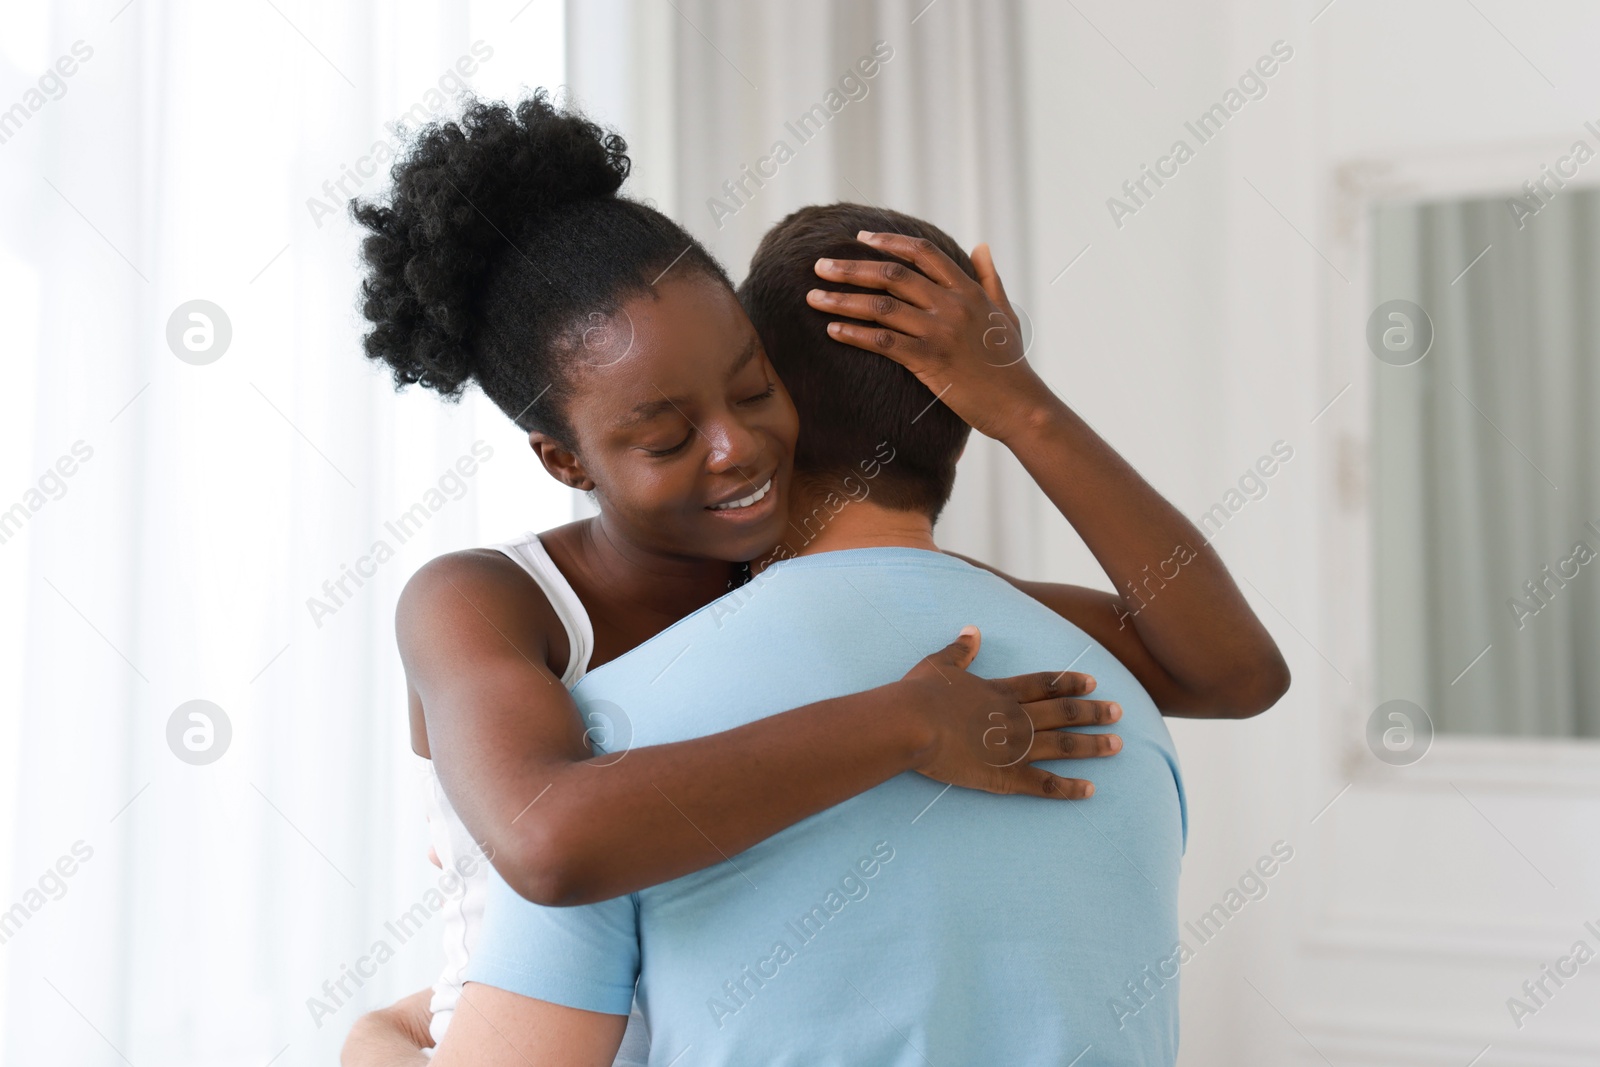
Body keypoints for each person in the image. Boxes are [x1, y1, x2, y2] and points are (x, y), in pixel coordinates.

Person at [359, 201, 1289, 1066]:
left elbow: (1234, 671)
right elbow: (551, 843)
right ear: (566, 460)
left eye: (754, 392)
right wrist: (907, 724)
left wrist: (1020, 404)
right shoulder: (486, 601)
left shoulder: (809, 582)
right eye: (668, 436)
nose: (736, 447)